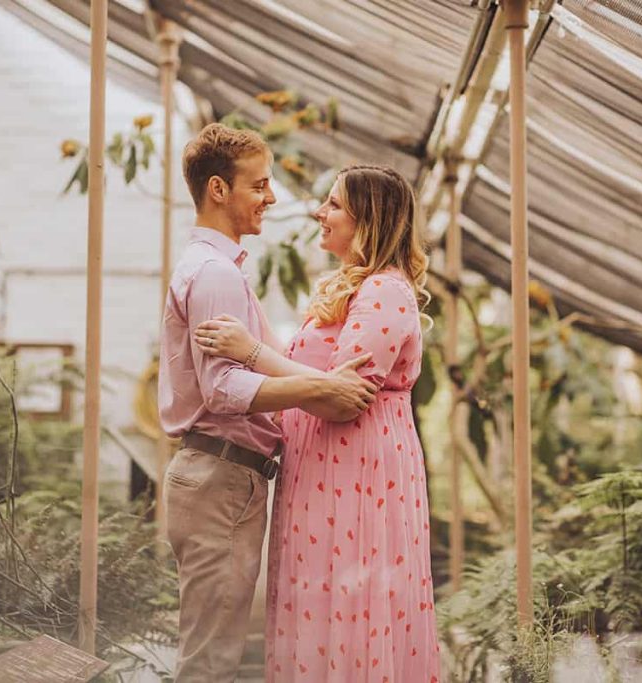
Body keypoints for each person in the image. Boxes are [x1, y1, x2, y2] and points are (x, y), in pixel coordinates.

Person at [195, 164, 440, 682]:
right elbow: (320, 381)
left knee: (350, 607)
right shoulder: (353, 289)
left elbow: (340, 400)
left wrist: (252, 351)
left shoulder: (384, 291)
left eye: (333, 205)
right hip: (325, 474)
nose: (318, 213)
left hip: (357, 475)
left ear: (367, 220)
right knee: (321, 606)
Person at [157, 123, 379, 683]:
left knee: (215, 649)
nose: (272, 197)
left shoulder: (220, 270)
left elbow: (253, 363)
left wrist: (317, 381)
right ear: (218, 190)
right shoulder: (213, 274)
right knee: (209, 660)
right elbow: (223, 391)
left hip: (225, 477)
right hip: (220, 476)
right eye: (259, 185)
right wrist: (322, 389)